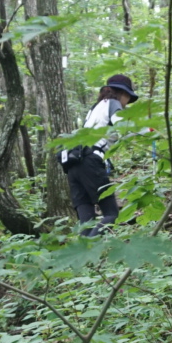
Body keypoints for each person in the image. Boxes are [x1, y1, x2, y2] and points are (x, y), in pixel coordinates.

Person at [59, 74, 139, 236]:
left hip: (74, 163)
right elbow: (124, 129)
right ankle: (91, 245)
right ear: (123, 93)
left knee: (86, 221)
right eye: (128, 98)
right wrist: (147, 130)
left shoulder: (95, 108)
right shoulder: (114, 103)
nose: (127, 102)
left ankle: (84, 251)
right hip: (90, 161)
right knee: (111, 214)